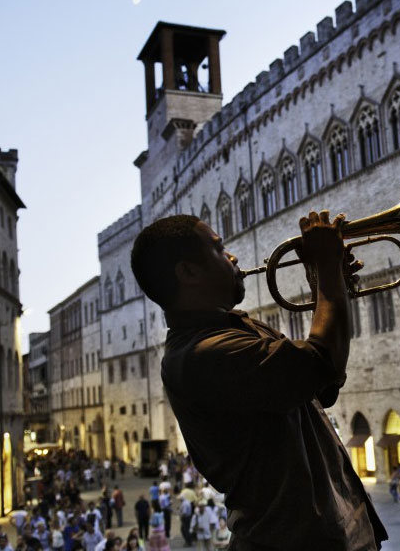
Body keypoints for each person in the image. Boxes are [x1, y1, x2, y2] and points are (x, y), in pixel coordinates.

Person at [131, 212, 386, 550]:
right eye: (219, 250)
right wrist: (327, 270)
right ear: (188, 272)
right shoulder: (202, 354)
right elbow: (324, 364)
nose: (232, 257)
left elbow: (322, 389)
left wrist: (328, 282)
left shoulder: (231, 331)